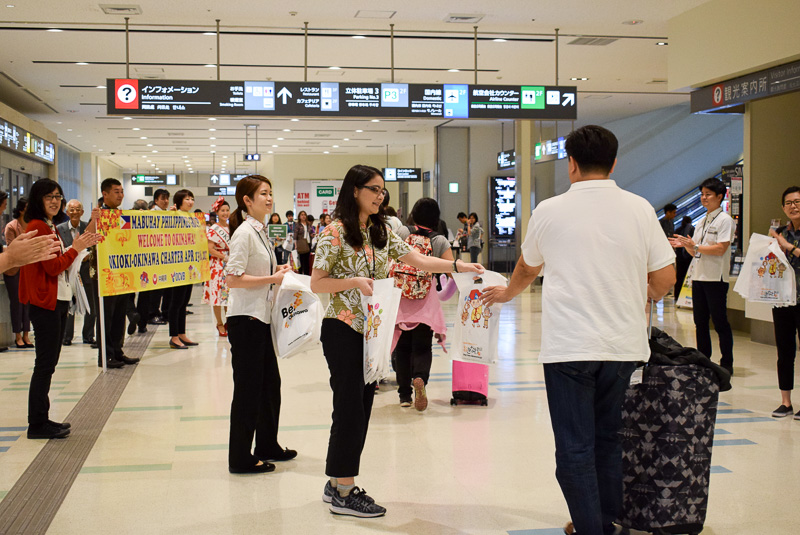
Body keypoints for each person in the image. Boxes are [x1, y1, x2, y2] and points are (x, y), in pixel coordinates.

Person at [481, 125, 675, 535]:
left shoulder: (549, 211)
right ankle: (604, 522)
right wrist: (632, 290)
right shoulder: (640, 208)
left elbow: (527, 268)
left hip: (569, 348)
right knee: (608, 439)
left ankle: (591, 528)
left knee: (574, 447)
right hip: (623, 346)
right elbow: (664, 279)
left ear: (570, 164)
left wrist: (507, 295)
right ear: (615, 162)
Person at [310, 164, 483, 518]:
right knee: (349, 408)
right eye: (374, 189)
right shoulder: (334, 232)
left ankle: (336, 483)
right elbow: (317, 282)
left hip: (372, 330)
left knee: (361, 407)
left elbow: (417, 259)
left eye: (382, 190)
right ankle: (345, 490)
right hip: (343, 328)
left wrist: (458, 267)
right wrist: (354, 281)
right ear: (354, 191)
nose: (380, 195)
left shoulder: (380, 230)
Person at [225, 175, 296, 474]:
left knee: (270, 385)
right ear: (247, 201)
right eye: (263, 194)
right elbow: (232, 278)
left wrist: (276, 270)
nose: (269, 198)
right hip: (246, 321)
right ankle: (240, 457)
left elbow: (255, 269)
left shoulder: (259, 231)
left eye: (270, 192)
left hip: (260, 319)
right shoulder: (244, 233)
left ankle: (267, 444)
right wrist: (271, 278)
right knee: (248, 390)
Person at [20, 179, 101, 439]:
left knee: (48, 364)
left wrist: (78, 247)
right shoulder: (38, 227)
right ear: (37, 200)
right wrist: (75, 249)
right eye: (48, 197)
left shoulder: (48, 225)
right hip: (44, 301)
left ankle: (42, 419)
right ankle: (37, 424)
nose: (55, 201)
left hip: (54, 299)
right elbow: (53, 267)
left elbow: (58, 260)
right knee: (45, 364)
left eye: (58, 196)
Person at [391, 197, 454, 411]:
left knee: (403, 348)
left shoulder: (402, 233)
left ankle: (404, 395)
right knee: (422, 347)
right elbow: (451, 271)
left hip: (399, 299)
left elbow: (386, 260)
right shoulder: (440, 241)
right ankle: (420, 378)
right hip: (426, 302)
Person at [671, 178, 734, 374]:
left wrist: (694, 246)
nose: (704, 198)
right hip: (699, 277)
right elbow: (695, 252)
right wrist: (687, 246)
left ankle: (727, 362)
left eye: (708, 194)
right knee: (700, 321)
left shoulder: (725, 220)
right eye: (702, 194)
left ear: (719, 197)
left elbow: (719, 249)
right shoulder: (702, 221)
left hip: (716, 278)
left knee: (720, 321)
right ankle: (703, 359)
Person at [94, 178, 140, 368]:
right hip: (105, 274)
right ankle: (105, 355)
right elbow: (89, 239)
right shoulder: (99, 215)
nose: (120, 195)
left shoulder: (123, 215)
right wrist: (95, 220)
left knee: (120, 314)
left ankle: (117, 351)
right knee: (107, 316)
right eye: (116, 192)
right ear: (105, 194)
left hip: (122, 272)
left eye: (122, 191)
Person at [767, 186, 800, 419]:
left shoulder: (786, 239)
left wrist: (789, 247)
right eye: (789, 202)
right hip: (783, 301)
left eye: (797, 201)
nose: (793, 206)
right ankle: (785, 402)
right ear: (783, 207)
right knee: (784, 351)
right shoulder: (779, 232)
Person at [56, 200, 97, 346]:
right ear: (67, 212)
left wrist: (87, 256)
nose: (75, 212)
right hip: (67, 272)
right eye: (71, 210)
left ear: (82, 212)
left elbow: (94, 246)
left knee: (91, 304)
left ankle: (88, 335)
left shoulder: (88, 227)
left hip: (86, 270)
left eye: (77, 209)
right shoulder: (59, 229)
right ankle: (67, 336)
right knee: (68, 303)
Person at [166, 189, 199, 349]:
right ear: (179, 200)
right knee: (176, 302)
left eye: (192, 199)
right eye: (187, 199)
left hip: (190, 266)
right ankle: (174, 336)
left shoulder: (192, 218)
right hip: (177, 266)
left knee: (184, 301)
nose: (191, 202)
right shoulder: (174, 215)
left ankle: (181, 333)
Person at [4, 197, 34, 349]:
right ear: (22, 209)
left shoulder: (31, 225)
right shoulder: (11, 226)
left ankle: (27, 334)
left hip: (28, 268)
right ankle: (17, 335)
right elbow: (11, 249)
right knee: (17, 302)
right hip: (13, 269)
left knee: (27, 302)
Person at [204, 197, 231, 337]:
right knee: (217, 296)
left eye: (227, 210)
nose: (225, 213)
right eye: (222, 211)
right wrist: (225, 257)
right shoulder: (214, 229)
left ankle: (229, 322)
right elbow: (210, 249)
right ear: (217, 212)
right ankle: (219, 323)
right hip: (218, 265)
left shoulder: (232, 227)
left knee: (228, 295)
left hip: (231, 264)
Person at [147, 188, 170, 325]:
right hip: (154, 257)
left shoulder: (166, 214)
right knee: (155, 288)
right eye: (163, 198)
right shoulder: (152, 214)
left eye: (167, 198)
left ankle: (159, 312)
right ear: (156, 200)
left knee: (162, 287)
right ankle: (152, 314)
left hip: (164, 256)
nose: (166, 201)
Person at [673, 215, 695, 296]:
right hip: (688, 256)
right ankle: (685, 295)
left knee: (679, 275)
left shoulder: (678, 229)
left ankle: (677, 294)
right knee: (687, 275)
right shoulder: (692, 229)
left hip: (679, 256)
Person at [293, 210, 314, 275]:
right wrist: (295, 245)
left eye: (304, 215)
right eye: (302, 215)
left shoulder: (308, 224)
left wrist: (312, 235)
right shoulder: (297, 225)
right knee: (301, 261)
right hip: (300, 243)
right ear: (299, 216)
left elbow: (311, 232)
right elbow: (295, 236)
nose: (303, 216)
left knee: (307, 261)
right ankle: (300, 275)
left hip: (308, 243)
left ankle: (307, 275)